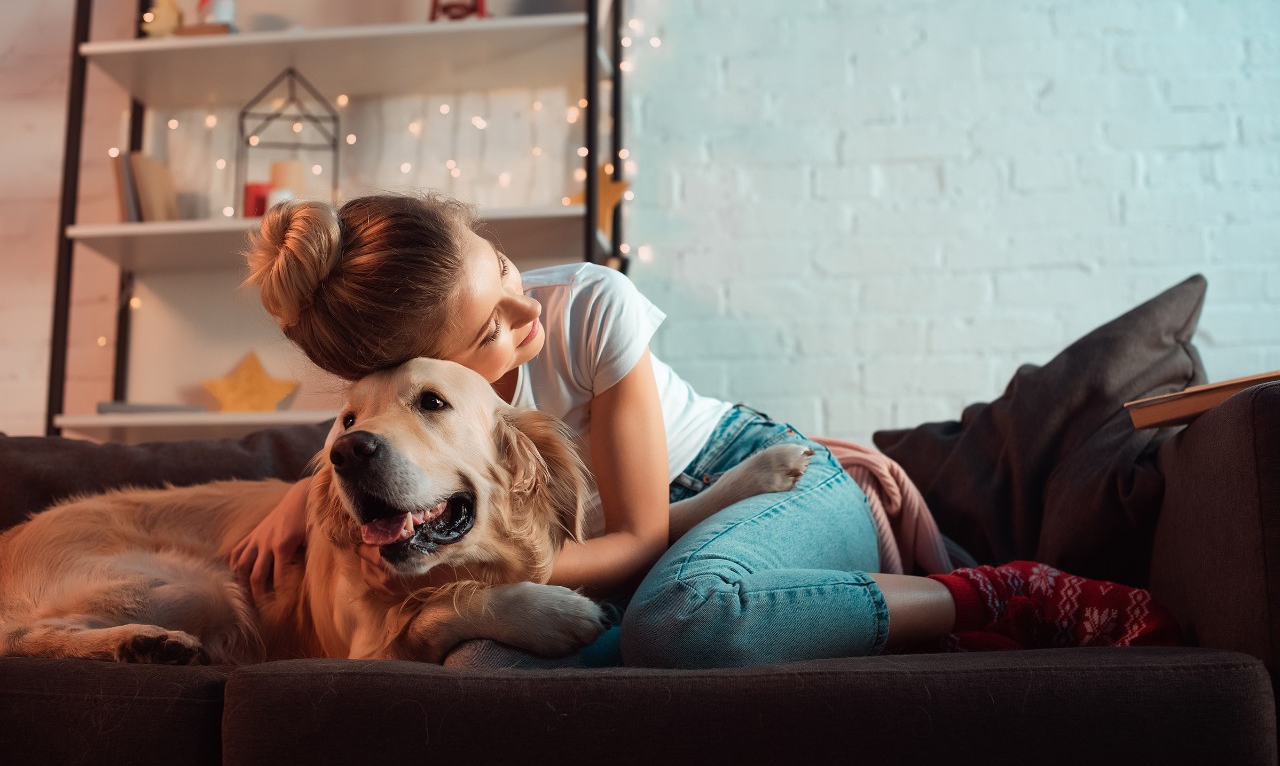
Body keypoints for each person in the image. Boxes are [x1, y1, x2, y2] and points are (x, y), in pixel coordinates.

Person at [232, 193, 1177, 668]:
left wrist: (477, 579)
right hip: (642, 561)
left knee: (682, 621)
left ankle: (994, 592)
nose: (528, 311)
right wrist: (302, 492)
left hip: (759, 481)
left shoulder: (589, 308)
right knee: (481, 664)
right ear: (414, 370)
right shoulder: (401, 405)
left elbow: (637, 536)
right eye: (489, 332)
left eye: (506, 266)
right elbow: (371, 445)